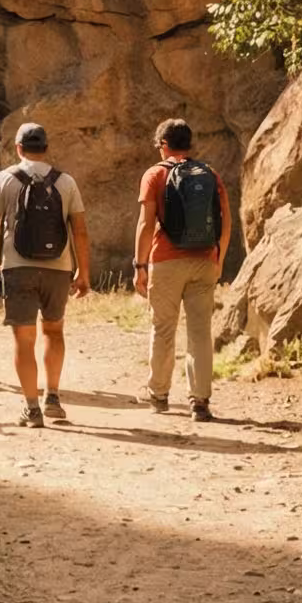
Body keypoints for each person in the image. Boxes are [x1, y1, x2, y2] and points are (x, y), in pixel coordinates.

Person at [0, 121, 92, 428]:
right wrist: (83, 272)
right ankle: (52, 397)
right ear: (46, 148)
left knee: (24, 339)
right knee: (54, 332)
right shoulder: (65, 182)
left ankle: (31, 407)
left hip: (18, 267)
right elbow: (79, 230)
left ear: (18, 148)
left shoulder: (5, 179)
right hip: (58, 267)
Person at [135, 117, 229, 421]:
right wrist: (219, 259)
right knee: (200, 332)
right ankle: (199, 401)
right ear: (189, 145)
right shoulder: (210, 175)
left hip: (165, 260)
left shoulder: (155, 174)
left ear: (164, 145)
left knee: (163, 327)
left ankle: (159, 394)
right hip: (204, 259)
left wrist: (139, 265)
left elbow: (146, 223)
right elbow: (225, 221)